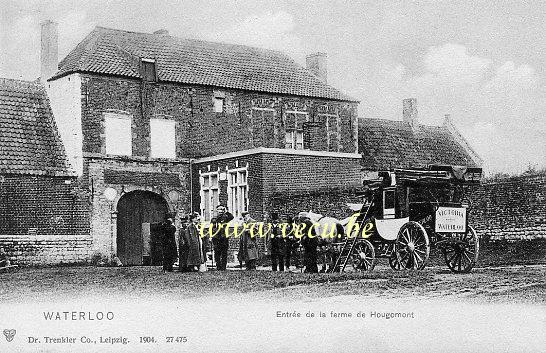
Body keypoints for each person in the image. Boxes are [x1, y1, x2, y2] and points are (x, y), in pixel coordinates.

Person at [211, 205, 233, 271]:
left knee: (224, 252)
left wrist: (226, 211)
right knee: (217, 253)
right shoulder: (214, 219)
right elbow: (212, 228)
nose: (220, 211)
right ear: (216, 210)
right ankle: (218, 266)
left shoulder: (225, 217)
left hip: (224, 238)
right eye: (219, 209)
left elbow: (231, 217)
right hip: (216, 238)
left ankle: (223, 267)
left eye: (221, 209)